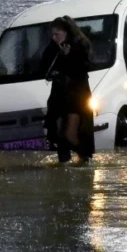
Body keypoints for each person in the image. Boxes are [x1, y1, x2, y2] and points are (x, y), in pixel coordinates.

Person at [43, 16, 95, 163]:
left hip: (77, 95)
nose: (54, 38)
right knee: (59, 133)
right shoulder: (53, 46)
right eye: (52, 35)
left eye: (57, 34)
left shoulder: (80, 45)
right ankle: (64, 162)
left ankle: (85, 158)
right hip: (59, 94)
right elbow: (44, 64)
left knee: (70, 133)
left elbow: (84, 67)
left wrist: (68, 56)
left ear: (66, 32)